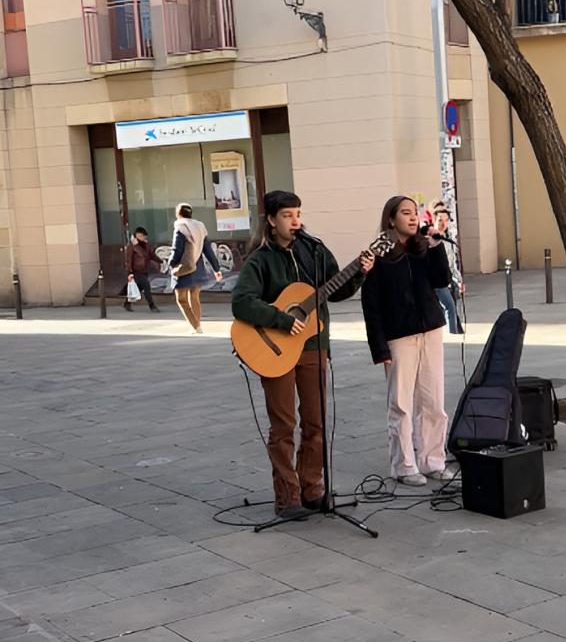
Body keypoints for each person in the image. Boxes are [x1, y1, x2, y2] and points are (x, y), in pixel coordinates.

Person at [232, 190, 375, 519]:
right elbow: (241, 302)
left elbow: (335, 291)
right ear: (271, 220)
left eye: (297, 213)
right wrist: (282, 319)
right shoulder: (260, 260)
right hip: (276, 349)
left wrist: (360, 273)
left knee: (316, 421)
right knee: (283, 425)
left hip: (314, 346)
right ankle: (287, 497)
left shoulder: (314, 250)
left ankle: (313, 489)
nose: (295, 221)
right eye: (287, 215)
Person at [361, 195, 453, 487]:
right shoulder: (379, 257)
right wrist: (379, 347)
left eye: (415, 213)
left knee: (434, 401)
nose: (413, 218)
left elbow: (441, 281)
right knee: (401, 403)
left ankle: (432, 460)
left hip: (431, 330)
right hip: (398, 336)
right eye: (405, 213)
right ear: (391, 219)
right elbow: (371, 305)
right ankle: (403, 465)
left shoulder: (423, 249)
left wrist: (437, 246)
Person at [170, 203, 222, 335]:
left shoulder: (180, 227)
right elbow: (208, 250)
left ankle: (196, 327)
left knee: (181, 299)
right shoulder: (200, 227)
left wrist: (171, 264)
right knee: (194, 296)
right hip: (198, 267)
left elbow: (177, 249)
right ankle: (198, 325)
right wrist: (216, 268)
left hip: (184, 267)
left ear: (178, 213)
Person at [430, 204, 464, 337]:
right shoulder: (431, 240)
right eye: (440, 220)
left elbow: (452, 264)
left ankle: (454, 330)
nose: (443, 223)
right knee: (449, 306)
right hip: (438, 281)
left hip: (448, 279)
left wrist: (459, 281)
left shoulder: (448, 239)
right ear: (434, 221)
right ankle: (452, 333)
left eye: (445, 220)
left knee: (452, 305)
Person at [124, 226, 162, 313]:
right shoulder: (132, 246)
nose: (141, 238)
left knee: (139, 288)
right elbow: (129, 260)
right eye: (138, 236)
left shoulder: (146, 246)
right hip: (136, 271)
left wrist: (161, 261)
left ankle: (127, 303)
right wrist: (129, 272)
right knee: (146, 286)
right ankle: (152, 306)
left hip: (144, 270)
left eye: (142, 236)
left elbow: (151, 256)